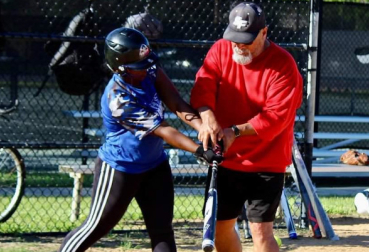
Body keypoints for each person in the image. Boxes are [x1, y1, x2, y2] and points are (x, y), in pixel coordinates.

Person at [58, 27, 222, 252]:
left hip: (155, 165)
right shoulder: (118, 98)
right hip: (120, 168)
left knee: (162, 231)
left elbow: (175, 102)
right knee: (96, 227)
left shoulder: (151, 69)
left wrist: (203, 129)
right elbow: (163, 130)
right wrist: (199, 150)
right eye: (140, 67)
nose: (147, 69)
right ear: (120, 67)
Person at [190, 2, 303, 252]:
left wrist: (234, 131)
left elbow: (276, 117)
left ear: (264, 33)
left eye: (247, 40)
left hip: (267, 160)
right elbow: (203, 86)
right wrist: (207, 115)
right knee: (220, 228)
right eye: (235, 38)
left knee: (261, 233)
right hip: (227, 158)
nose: (239, 45)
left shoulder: (284, 65)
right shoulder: (221, 50)